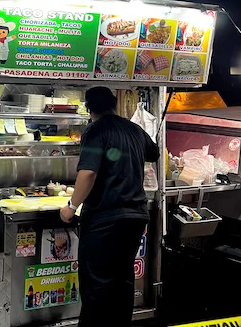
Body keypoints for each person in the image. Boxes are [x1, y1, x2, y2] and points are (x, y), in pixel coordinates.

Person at [60, 87, 160, 327]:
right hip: (135, 217)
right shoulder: (134, 129)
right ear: (114, 104)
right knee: (122, 281)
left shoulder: (96, 130)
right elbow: (154, 153)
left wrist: (71, 206)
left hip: (106, 220)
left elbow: (88, 173)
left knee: (97, 285)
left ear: (88, 108)